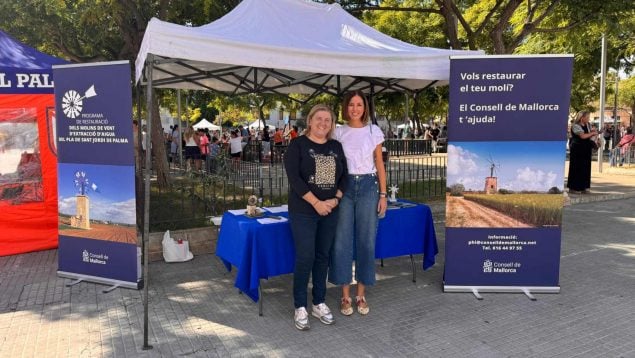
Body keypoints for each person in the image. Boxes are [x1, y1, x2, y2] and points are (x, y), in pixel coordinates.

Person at [284, 104, 348, 331]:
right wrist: (317, 203)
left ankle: (318, 302)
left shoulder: (336, 146)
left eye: (328, 120)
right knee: (305, 256)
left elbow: (344, 178)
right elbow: (295, 179)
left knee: (323, 256)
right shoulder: (297, 145)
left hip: (330, 211)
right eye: (319, 119)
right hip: (303, 211)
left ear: (332, 125)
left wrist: (336, 199)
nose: (323, 123)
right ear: (310, 121)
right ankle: (300, 305)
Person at [329, 90, 387, 316]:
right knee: (342, 241)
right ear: (346, 107)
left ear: (365, 108)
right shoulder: (339, 132)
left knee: (366, 240)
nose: (355, 108)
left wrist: (383, 195)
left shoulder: (374, 131)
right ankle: (345, 296)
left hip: (368, 187)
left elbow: (380, 164)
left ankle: (360, 294)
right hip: (344, 186)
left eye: (359, 104)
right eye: (351, 104)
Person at [567, 111, 597, 194]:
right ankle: (573, 188)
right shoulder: (575, 126)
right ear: (581, 118)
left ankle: (584, 187)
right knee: (576, 167)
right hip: (577, 149)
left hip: (586, 149)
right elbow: (583, 136)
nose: (588, 119)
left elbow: (590, 135)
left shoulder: (588, 125)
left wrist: (595, 134)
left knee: (586, 167)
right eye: (587, 117)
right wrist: (592, 133)